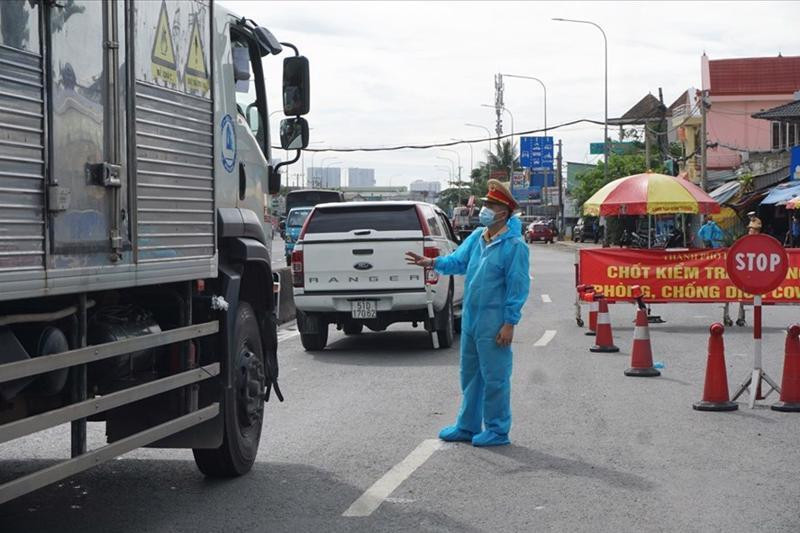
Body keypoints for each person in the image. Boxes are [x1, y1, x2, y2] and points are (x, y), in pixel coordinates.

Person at [405, 180, 530, 447]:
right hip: (472, 318)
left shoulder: (514, 246)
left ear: (504, 212)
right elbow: (458, 262)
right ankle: (468, 425)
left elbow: (518, 287)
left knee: (495, 376)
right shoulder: (478, 237)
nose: (484, 209)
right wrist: (433, 262)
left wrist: (509, 323)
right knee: (470, 373)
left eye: (491, 205)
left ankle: (497, 430)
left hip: (494, 321)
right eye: (484, 204)